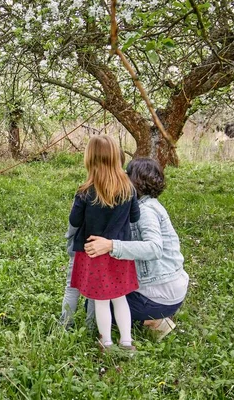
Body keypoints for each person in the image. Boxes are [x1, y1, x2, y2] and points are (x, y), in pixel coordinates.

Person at [84, 157, 189, 340]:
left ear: (135, 181)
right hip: (170, 289)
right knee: (108, 293)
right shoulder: (145, 205)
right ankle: (152, 316)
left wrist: (110, 245)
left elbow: (154, 248)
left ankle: (154, 321)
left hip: (160, 294)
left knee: (97, 299)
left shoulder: (146, 211)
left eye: (127, 173)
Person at [66, 135, 140, 351]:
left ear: (89, 159)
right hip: (119, 251)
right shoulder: (129, 188)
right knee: (119, 298)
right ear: (116, 157)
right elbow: (135, 217)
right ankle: (126, 341)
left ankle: (106, 341)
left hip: (93, 252)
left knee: (101, 301)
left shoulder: (85, 190)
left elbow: (74, 221)